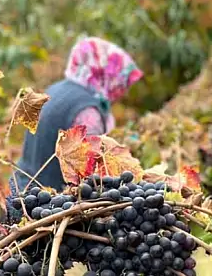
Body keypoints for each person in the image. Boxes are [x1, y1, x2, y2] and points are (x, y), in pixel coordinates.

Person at [13, 37, 143, 192]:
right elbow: (90, 174)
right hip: (46, 204)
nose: (122, 91)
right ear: (106, 74)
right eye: (121, 83)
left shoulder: (55, 89)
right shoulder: (87, 112)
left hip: (21, 192)